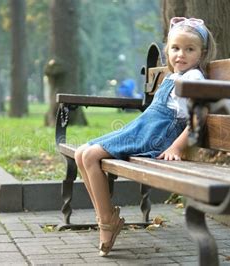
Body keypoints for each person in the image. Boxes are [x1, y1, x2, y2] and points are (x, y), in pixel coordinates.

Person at [74, 17, 216, 257]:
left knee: (89, 156)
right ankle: (106, 216)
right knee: (81, 153)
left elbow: (199, 116)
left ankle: (107, 222)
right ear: (167, 51)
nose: (181, 55)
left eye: (189, 49)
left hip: (157, 134)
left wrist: (177, 147)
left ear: (201, 54)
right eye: (175, 48)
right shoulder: (173, 76)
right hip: (145, 127)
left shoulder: (194, 78)